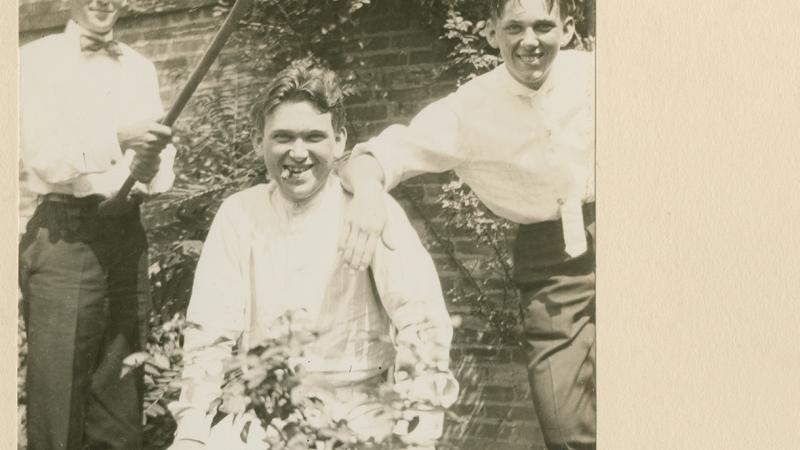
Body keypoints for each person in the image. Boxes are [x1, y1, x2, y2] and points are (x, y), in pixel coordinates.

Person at [338, 0, 595, 448]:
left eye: (543, 26)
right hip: (552, 266)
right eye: (514, 28)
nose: (529, 42)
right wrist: (366, 191)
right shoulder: (468, 109)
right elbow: (383, 154)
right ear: (492, 32)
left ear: (568, 30)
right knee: (566, 426)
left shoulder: (598, 76)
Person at [167, 62, 458, 450]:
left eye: (314, 137)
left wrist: (418, 434)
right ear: (259, 142)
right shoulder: (238, 214)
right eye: (282, 137)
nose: (298, 153)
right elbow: (209, 332)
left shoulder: (372, 210)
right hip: (262, 414)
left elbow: (422, 326)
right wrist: (192, 430)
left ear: (339, 141)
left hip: (360, 413)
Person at [18, 0, 176, 448]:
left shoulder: (140, 68)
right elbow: (44, 156)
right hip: (66, 238)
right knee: (58, 407)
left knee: (121, 398)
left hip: (126, 235)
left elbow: (161, 164)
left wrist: (150, 170)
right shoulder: (37, 60)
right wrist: (119, 137)